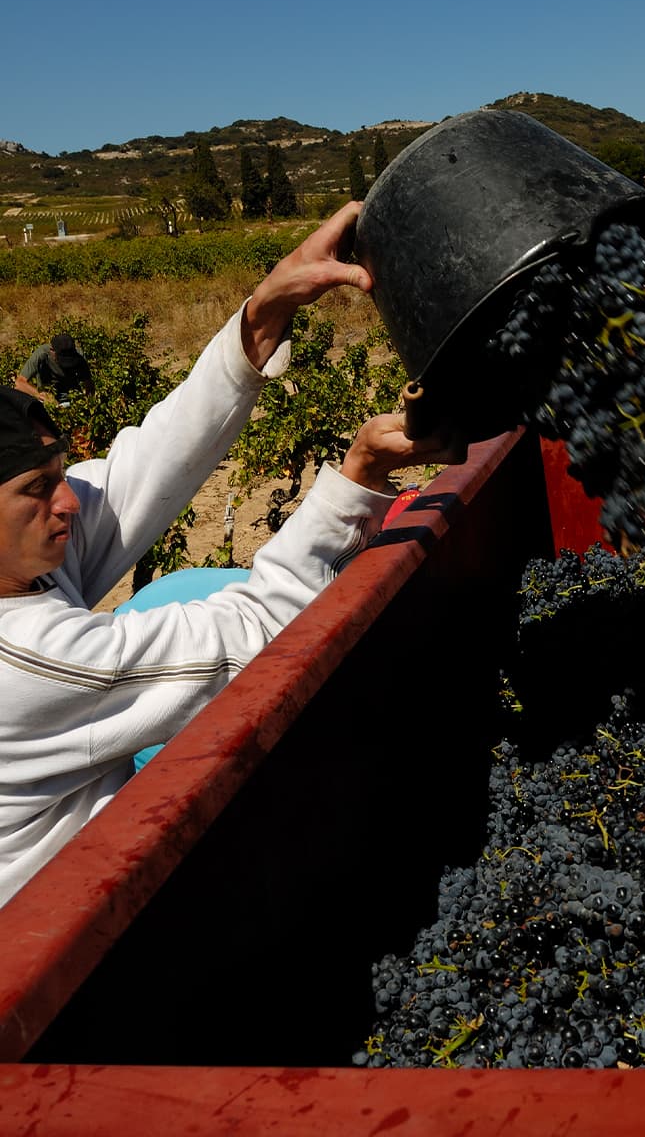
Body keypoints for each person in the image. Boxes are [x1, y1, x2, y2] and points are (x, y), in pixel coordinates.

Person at [0, 201, 462, 909]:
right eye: (39, 488)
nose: (68, 502)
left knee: (179, 588)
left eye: (61, 474)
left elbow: (144, 466)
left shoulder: (21, 556)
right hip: (60, 927)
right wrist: (358, 476)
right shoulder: (29, 662)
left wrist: (262, 314)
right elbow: (253, 637)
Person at [14, 332, 95, 403]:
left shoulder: (79, 356)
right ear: (52, 351)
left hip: (73, 399)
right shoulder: (41, 354)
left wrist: (87, 403)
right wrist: (41, 395)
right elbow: (19, 383)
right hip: (46, 400)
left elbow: (89, 384)